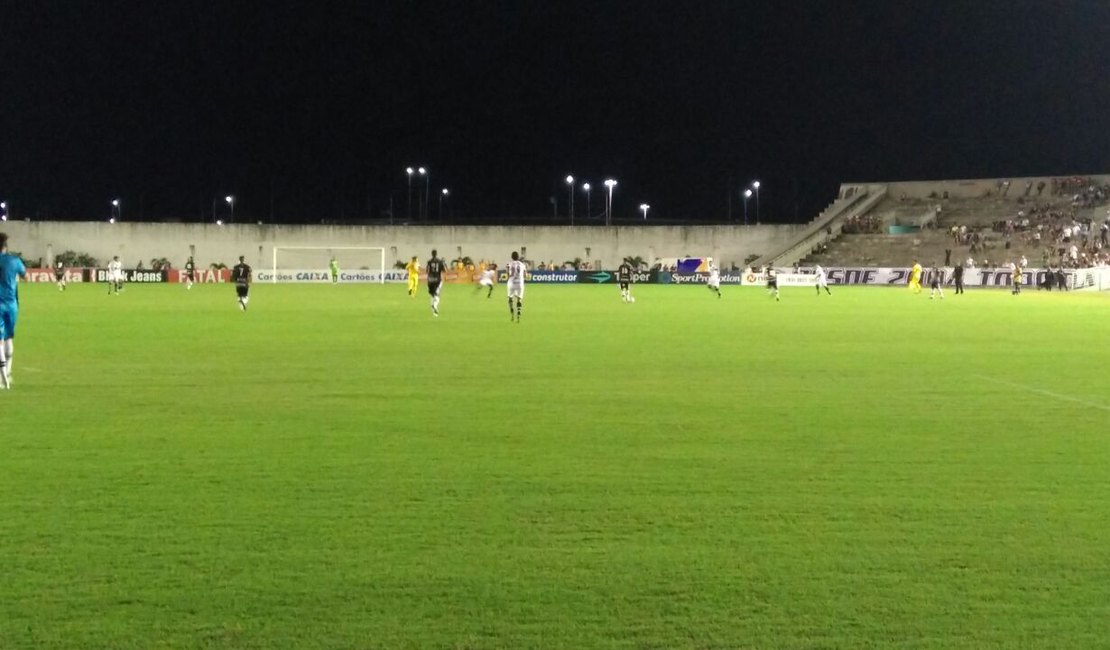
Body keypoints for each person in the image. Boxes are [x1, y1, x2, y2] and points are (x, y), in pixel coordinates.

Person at [0, 233, 27, 389]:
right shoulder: (14, 260)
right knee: (9, 338)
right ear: (5, 246)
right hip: (11, 305)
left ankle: (2, 379)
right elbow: (25, 276)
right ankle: (7, 374)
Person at [426, 249, 447, 316]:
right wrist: (443, 264)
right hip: (437, 280)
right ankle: (435, 306)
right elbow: (445, 270)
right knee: (437, 295)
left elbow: (427, 271)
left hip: (430, 280)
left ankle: (434, 312)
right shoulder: (440, 261)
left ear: (432, 254)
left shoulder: (429, 262)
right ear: (436, 254)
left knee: (432, 295)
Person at [506, 251, 526, 322]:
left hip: (511, 282)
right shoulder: (522, 265)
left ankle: (512, 314)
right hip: (520, 283)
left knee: (510, 298)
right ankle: (518, 315)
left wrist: (509, 278)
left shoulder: (509, 264)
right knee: (519, 299)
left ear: (512, 257)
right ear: (518, 257)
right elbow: (525, 275)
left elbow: (508, 273)